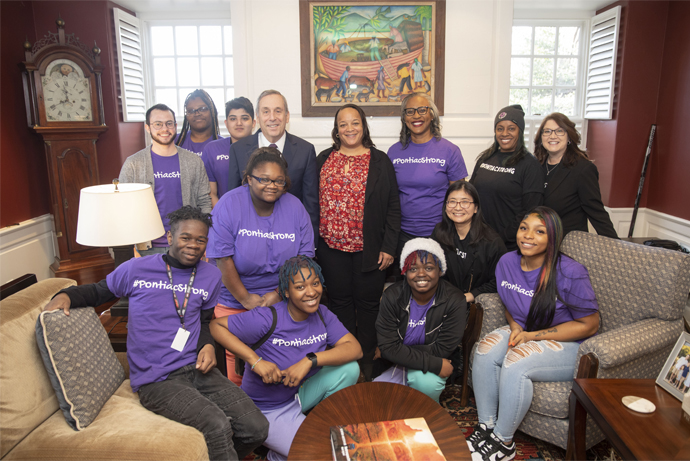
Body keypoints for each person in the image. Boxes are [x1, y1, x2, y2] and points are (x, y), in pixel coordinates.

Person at [43, 206, 269, 461]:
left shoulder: (211, 275)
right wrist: (66, 295)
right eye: (186, 237)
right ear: (170, 238)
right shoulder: (135, 269)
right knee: (217, 425)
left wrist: (206, 345)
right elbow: (98, 292)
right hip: (157, 380)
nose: (193, 245)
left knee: (257, 428)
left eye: (200, 239)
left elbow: (205, 319)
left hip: (197, 369)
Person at [468, 206, 600, 461]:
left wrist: (531, 337)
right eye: (524, 228)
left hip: (570, 343)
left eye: (539, 231)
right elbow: (509, 303)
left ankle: (504, 442)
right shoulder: (507, 262)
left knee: (516, 362)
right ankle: (487, 427)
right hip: (526, 330)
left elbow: (590, 324)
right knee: (484, 351)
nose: (528, 236)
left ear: (553, 238)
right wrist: (516, 326)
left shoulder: (570, 271)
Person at [211, 255, 362, 461]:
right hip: (266, 409)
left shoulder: (322, 314)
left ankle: (313, 425)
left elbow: (354, 348)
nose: (311, 292)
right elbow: (216, 326)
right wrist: (255, 361)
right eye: (300, 287)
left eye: (315, 283)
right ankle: (279, 453)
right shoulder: (267, 318)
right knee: (320, 453)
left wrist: (310, 359)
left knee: (350, 368)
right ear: (286, 292)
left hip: (298, 393)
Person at [207, 148, 314, 385]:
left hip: (284, 298)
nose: (272, 185)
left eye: (279, 181)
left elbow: (304, 259)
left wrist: (278, 294)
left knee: (283, 366)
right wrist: (246, 299)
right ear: (248, 179)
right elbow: (222, 259)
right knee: (241, 375)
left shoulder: (295, 207)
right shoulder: (228, 204)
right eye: (263, 179)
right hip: (235, 300)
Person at [316, 104, 401, 380]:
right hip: (331, 249)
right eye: (343, 124)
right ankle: (344, 361)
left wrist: (389, 247)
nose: (349, 129)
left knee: (367, 306)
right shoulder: (323, 159)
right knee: (338, 303)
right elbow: (312, 202)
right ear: (336, 129)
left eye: (355, 123)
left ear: (363, 126)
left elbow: (393, 206)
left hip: (370, 250)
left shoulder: (380, 160)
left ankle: (366, 363)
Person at [374, 238, 466, 402]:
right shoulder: (392, 296)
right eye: (413, 268)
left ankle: (427, 415)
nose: (421, 274)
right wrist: (436, 364)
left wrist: (395, 351)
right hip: (400, 364)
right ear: (405, 272)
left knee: (426, 384)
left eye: (429, 268)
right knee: (376, 401)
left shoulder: (455, 300)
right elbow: (387, 347)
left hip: (425, 368)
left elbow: (441, 350)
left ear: (440, 270)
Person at [119, 104, 211, 255]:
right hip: (148, 246)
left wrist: (204, 238)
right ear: (147, 127)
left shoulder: (193, 161)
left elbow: (204, 202)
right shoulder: (133, 164)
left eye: (169, 123)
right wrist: (135, 244)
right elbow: (124, 206)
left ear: (175, 126)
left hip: (187, 244)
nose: (165, 129)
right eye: (158, 124)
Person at [228, 90, 319, 242]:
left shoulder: (305, 150)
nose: (272, 118)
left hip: (291, 236)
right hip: (249, 236)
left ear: (287, 116)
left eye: (278, 111)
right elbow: (233, 197)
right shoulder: (238, 149)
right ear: (257, 117)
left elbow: (311, 203)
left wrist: (311, 244)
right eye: (266, 111)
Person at [388, 93, 468, 257]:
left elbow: (460, 197)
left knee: (439, 280)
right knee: (409, 280)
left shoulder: (450, 151)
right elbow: (389, 196)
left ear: (432, 115)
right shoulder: (394, 152)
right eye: (410, 111)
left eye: (422, 110)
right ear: (404, 118)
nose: (416, 115)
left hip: (440, 232)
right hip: (402, 233)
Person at [470, 104, 545, 251]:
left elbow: (530, 210)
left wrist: (501, 237)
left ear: (520, 131)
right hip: (479, 238)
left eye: (511, 128)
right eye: (500, 128)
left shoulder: (530, 165)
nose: (504, 133)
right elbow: (471, 194)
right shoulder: (486, 158)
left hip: (508, 243)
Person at [534, 112, 618, 238]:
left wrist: (615, 246)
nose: (552, 136)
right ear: (541, 137)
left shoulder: (583, 169)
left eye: (559, 131)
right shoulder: (535, 166)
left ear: (569, 137)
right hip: (538, 241)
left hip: (568, 244)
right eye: (547, 131)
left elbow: (596, 212)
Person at [431, 181, 507, 304]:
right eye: (452, 201)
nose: (458, 207)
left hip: (475, 303)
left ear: (476, 208)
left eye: (465, 202)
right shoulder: (439, 232)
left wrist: (467, 297)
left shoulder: (492, 242)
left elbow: (498, 281)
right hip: (445, 298)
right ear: (446, 206)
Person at [202, 97, 256, 206]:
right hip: (223, 213)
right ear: (226, 123)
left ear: (254, 123)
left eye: (245, 118)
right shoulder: (212, 149)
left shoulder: (263, 148)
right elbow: (211, 193)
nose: (239, 123)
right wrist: (222, 216)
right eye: (233, 119)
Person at [175, 89, 222, 156]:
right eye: (191, 111)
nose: (197, 114)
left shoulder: (224, 145)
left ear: (212, 111)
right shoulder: (176, 142)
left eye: (202, 109)